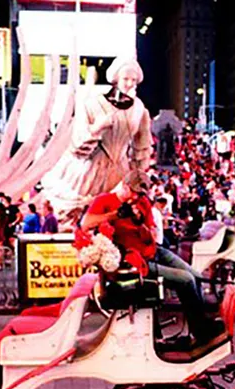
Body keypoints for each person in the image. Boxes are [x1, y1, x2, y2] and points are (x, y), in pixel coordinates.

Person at [82, 170, 223, 346]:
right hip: (135, 261)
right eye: (135, 193)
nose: (137, 197)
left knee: (195, 276)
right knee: (185, 280)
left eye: (141, 194)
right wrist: (116, 215)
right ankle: (201, 332)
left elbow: (152, 235)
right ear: (125, 187)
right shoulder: (104, 200)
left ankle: (199, 327)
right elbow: (86, 223)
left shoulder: (143, 204)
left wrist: (139, 223)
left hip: (154, 251)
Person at [43, 57, 154, 222]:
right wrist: (99, 126)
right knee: (78, 215)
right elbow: (77, 144)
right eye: (126, 79)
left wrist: (138, 174)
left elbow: (142, 146)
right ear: (116, 79)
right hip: (90, 168)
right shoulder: (92, 104)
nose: (130, 84)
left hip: (120, 170)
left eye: (134, 80)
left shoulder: (139, 109)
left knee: (117, 216)